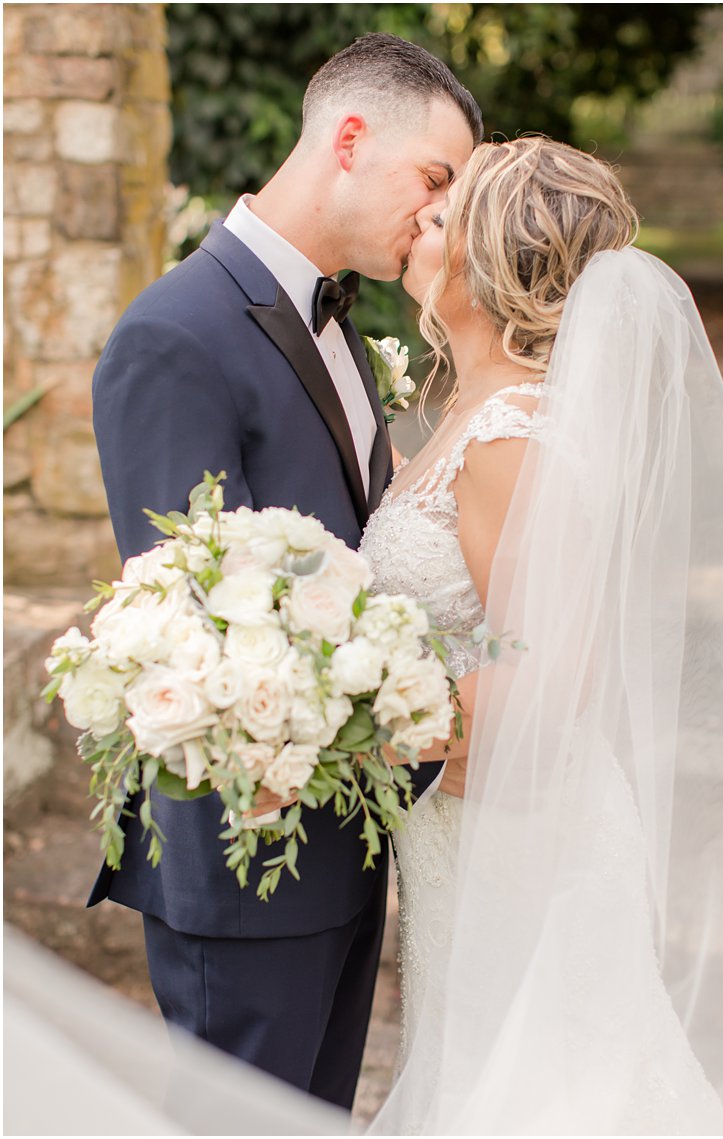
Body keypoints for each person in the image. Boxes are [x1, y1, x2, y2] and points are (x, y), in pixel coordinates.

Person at [89, 34, 480, 1109]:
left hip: (343, 851)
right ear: (349, 140)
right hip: (245, 866)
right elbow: (189, 616)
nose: (440, 215)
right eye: (434, 180)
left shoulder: (342, 326)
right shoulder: (175, 333)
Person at [358, 137, 723, 1132]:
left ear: (488, 260)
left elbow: (545, 674)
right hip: (465, 825)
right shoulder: (472, 414)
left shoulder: (509, 440)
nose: (421, 223)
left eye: (445, 217)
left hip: (519, 834)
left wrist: (356, 722)